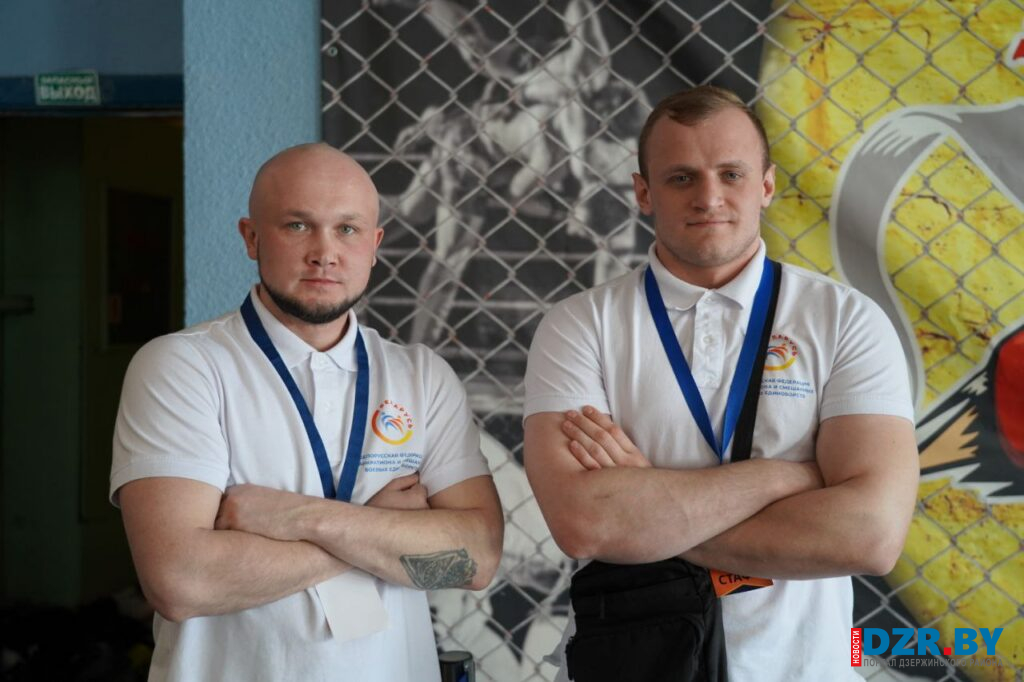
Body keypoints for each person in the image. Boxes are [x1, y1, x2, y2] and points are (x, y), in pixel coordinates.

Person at [523, 86, 920, 681]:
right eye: (681, 177)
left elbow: (870, 536)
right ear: (644, 193)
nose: (709, 197)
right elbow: (587, 524)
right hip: (630, 664)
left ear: (766, 185)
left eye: (731, 174)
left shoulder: (845, 320)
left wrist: (651, 514)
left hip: (802, 669)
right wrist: (789, 477)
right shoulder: (580, 325)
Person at [110, 143, 504, 682]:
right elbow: (180, 582)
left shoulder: (421, 376)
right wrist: (380, 529)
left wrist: (297, 518)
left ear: (374, 245)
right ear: (251, 237)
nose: (325, 252)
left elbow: (477, 557)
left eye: (347, 229)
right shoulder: (182, 367)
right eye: (298, 226)